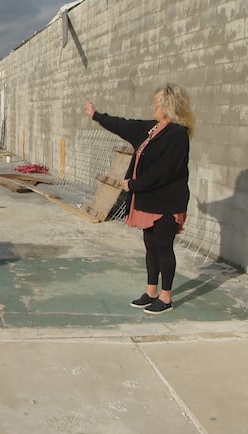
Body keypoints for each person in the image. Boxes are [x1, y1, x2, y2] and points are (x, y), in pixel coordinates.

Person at [83, 84, 195, 314]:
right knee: (150, 247)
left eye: (157, 103)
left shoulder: (177, 134)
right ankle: (151, 291)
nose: (152, 106)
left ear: (169, 106)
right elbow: (125, 125)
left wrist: (133, 184)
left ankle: (166, 298)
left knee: (164, 248)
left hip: (166, 202)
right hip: (147, 200)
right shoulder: (152, 128)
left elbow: (166, 171)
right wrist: (96, 115)